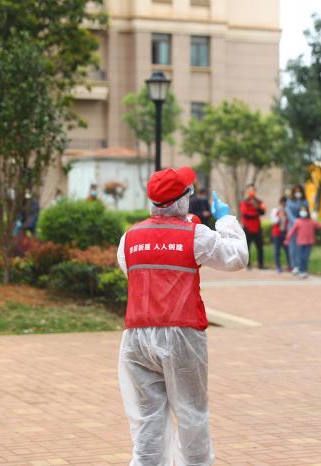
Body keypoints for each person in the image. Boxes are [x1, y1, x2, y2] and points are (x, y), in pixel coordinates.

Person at [116, 166, 248, 465]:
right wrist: (226, 219)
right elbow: (237, 256)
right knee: (191, 414)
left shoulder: (129, 238)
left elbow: (134, 271)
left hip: (136, 336)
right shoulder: (195, 235)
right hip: (182, 336)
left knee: (147, 420)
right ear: (183, 200)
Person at [284, 205, 321, 279]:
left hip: (309, 242)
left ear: (307, 212)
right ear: (299, 212)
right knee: (300, 258)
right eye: (301, 210)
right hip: (300, 243)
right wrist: (287, 239)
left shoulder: (311, 221)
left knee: (305, 258)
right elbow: (292, 231)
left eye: (305, 210)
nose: (303, 212)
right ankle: (300, 271)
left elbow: (320, 225)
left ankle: (304, 271)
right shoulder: (298, 221)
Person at [239, 184, 266, 269]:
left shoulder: (259, 201)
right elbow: (245, 214)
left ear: (255, 191)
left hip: (257, 227)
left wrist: (257, 208)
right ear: (247, 192)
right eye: (249, 190)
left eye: (253, 190)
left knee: (260, 247)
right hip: (247, 227)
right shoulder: (244, 202)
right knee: (247, 247)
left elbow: (263, 212)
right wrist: (256, 213)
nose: (251, 192)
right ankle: (248, 264)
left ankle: (261, 264)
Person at [285, 184, 309, 274]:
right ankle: (294, 265)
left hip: (303, 228)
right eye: (296, 191)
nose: (298, 193)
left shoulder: (304, 201)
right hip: (292, 227)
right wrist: (297, 223)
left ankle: (301, 266)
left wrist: (302, 224)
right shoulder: (289, 202)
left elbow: (307, 212)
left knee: (300, 247)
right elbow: (289, 214)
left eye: (299, 191)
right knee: (292, 248)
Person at [270, 196, 291, 273]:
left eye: (285, 203)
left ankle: (290, 266)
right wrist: (279, 216)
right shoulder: (275, 211)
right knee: (277, 251)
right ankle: (278, 267)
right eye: (282, 203)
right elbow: (273, 221)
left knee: (288, 251)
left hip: (285, 234)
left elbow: (290, 223)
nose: (283, 205)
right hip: (277, 234)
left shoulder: (288, 212)